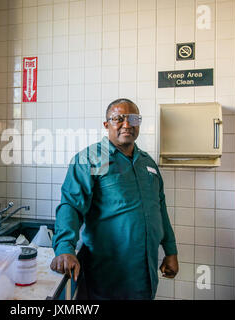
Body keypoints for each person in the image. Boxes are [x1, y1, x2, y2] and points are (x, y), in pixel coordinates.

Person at [50, 98, 179, 300]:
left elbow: (160, 208)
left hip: (145, 275)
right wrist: (65, 248)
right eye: (118, 119)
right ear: (106, 124)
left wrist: (170, 251)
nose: (127, 124)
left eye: (133, 119)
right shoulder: (91, 159)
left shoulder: (148, 164)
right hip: (105, 276)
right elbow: (71, 206)